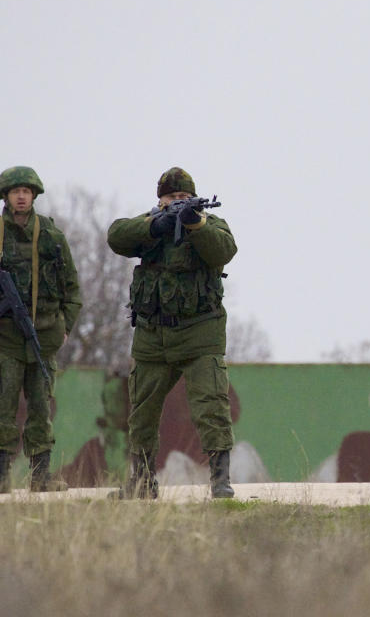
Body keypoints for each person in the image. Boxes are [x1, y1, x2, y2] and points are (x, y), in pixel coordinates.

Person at [106, 167, 237, 499]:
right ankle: (142, 482)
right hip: (153, 338)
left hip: (200, 335)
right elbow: (117, 236)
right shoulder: (149, 224)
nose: (178, 202)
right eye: (172, 198)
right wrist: (156, 225)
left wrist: (194, 224)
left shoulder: (210, 225)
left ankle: (220, 481)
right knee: (142, 412)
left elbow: (224, 250)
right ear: (160, 200)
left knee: (211, 406)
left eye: (184, 198)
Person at [0, 166, 82, 493]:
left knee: (41, 409)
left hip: (43, 336)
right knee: (4, 409)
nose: (22, 196)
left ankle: (41, 476)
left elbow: (72, 288)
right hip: (5, 339)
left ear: (35, 195)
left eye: (27, 191)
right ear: (6, 196)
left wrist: (64, 326)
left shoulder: (52, 236)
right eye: (16, 192)